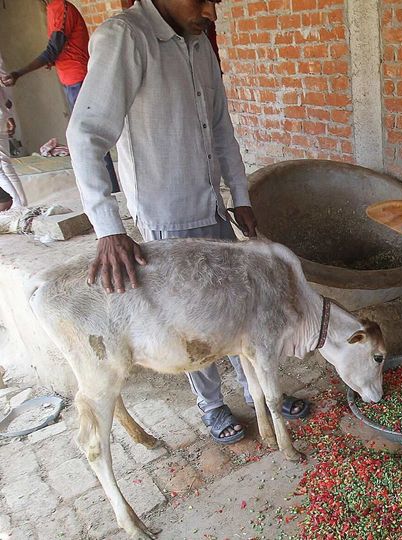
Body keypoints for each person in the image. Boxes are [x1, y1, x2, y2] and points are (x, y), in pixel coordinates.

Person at [66, 0, 308, 444]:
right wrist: (108, 228)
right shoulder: (127, 38)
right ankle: (212, 405)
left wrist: (240, 194)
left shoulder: (198, 44)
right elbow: (85, 134)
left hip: (211, 204)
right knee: (193, 323)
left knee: (238, 307)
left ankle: (263, 392)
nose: (212, 12)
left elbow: (221, 129)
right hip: (167, 216)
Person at [1, 0, 119, 194]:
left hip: (78, 80)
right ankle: (107, 188)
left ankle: (110, 190)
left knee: (88, 137)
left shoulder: (61, 8)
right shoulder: (51, 9)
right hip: (70, 81)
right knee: (84, 137)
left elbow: (52, 50)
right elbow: (60, 50)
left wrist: (18, 74)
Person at [0, 51, 27, 211]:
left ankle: (16, 207)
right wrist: (8, 113)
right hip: (1, 113)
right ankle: (21, 204)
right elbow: (4, 84)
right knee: (5, 162)